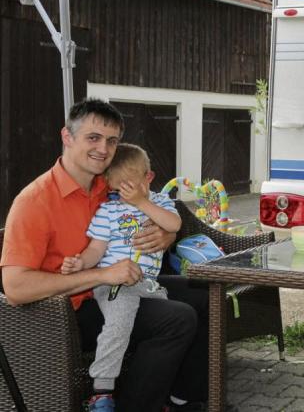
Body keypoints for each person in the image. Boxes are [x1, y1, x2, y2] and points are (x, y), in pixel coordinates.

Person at [0, 99, 209, 412]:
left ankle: (184, 398)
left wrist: (166, 236)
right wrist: (101, 274)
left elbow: (153, 212)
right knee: (176, 319)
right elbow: (16, 288)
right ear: (67, 137)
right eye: (93, 138)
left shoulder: (107, 184)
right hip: (62, 314)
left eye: (112, 141)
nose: (103, 149)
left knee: (205, 293)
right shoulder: (34, 201)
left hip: (119, 284)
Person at [60, 143, 181, 411]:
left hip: (148, 285)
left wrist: (142, 202)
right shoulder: (109, 211)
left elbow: (174, 224)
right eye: (116, 191)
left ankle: (164, 394)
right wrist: (80, 263)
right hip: (114, 284)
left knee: (171, 327)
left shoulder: (160, 202)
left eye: (129, 189)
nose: (122, 198)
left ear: (148, 178)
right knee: (118, 324)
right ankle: (102, 390)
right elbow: (95, 249)